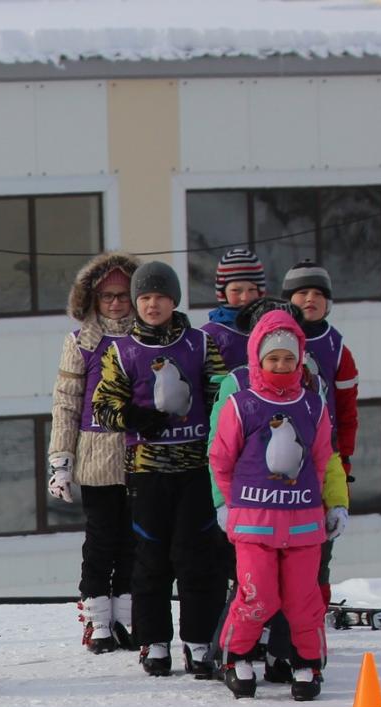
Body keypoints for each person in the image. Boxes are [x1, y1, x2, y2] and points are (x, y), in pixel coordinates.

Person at [92, 260, 230, 679]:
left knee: (196, 556)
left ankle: (199, 640)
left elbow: (224, 397)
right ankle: (154, 640)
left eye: (161, 296)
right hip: (147, 470)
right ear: (136, 303)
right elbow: (102, 405)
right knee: (151, 557)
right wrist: (132, 417)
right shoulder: (122, 350)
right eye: (145, 297)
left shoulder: (199, 344)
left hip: (193, 468)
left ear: (175, 300)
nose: (153, 305)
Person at [208, 310, 346, 700]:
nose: (282, 365)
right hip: (254, 521)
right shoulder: (242, 404)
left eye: (289, 358)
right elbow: (220, 458)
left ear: (300, 359)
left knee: (304, 600)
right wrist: (226, 504)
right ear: (258, 360)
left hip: (303, 523)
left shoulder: (312, 406)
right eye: (274, 358)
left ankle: (308, 665)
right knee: (257, 594)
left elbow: (322, 459)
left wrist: (331, 504)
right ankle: (237, 657)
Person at [46, 252, 141, 652]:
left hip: (142, 456)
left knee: (135, 542)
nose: (116, 304)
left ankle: (126, 619)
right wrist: (60, 462)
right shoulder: (81, 342)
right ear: (92, 300)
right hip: (97, 457)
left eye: (123, 295)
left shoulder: (151, 336)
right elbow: (66, 403)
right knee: (101, 541)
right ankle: (97, 620)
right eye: (107, 297)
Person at [283, 258, 359, 623]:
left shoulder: (337, 348)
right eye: (301, 292)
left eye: (318, 293)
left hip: (323, 460)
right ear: (288, 299)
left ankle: (312, 621)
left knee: (318, 549)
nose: (309, 299)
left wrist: (344, 460)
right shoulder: (273, 339)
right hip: (276, 462)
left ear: (328, 302)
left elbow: (347, 411)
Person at [199, 246, 266, 375]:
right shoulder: (209, 335)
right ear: (222, 292)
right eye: (236, 290)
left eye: (251, 290)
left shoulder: (269, 327)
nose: (245, 297)